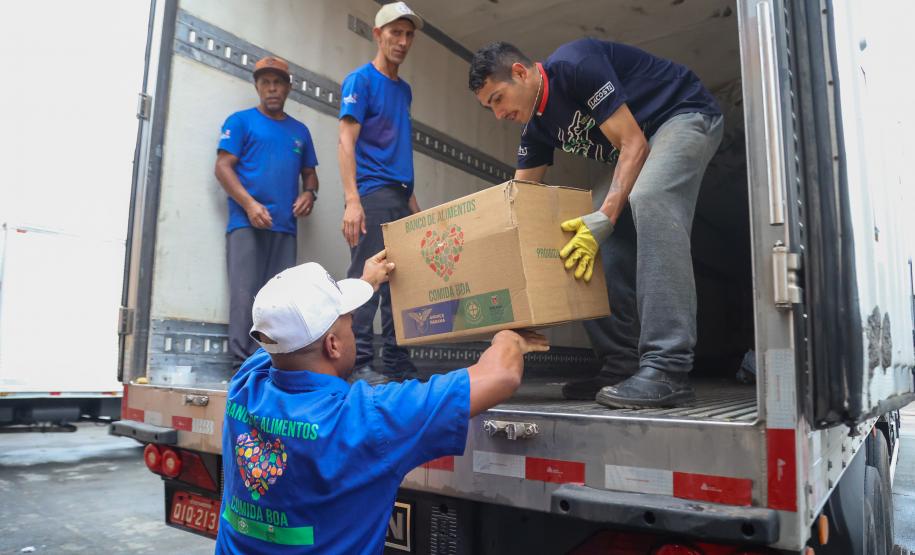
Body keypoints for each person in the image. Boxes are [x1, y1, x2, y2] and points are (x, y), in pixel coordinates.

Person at [214, 250, 548, 554]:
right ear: (333, 345)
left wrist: (366, 283)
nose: (354, 328)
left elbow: (284, 340)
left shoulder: (246, 382)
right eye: (351, 324)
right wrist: (508, 335)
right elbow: (501, 375)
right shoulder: (368, 419)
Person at [468, 40, 723, 409]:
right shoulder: (535, 127)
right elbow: (518, 203)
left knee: (649, 198)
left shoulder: (575, 65)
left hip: (682, 115)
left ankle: (669, 368)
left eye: (497, 99)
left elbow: (634, 145)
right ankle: (621, 363)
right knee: (574, 231)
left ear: (521, 73)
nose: (498, 113)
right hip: (639, 147)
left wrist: (605, 217)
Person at [215, 56, 319, 369]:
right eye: (266, 82)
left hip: (284, 227)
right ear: (257, 86)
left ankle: (272, 365)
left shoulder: (300, 131)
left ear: (288, 88)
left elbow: (310, 174)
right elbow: (222, 168)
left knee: (279, 300)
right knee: (245, 294)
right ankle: (241, 366)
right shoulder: (240, 121)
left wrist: (309, 193)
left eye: (278, 82)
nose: (272, 88)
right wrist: (249, 204)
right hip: (246, 224)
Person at [338, 2, 423, 385]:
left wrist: (413, 205)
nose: (402, 42)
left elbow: (399, 148)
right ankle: (357, 363)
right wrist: (352, 200)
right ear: (378, 34)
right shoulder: (360, 81)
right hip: (370, 195)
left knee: (402, 285)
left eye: (408, 35)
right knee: (367, 280)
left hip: (399, 196)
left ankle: (397, 362)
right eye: (395, 33)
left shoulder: (404, 90)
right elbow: (346, 140)